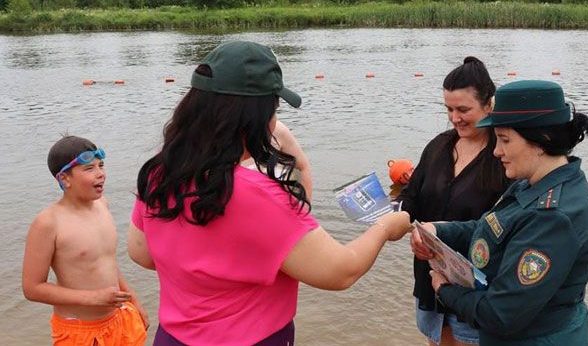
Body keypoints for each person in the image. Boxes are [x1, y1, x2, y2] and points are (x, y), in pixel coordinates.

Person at [126, 41, 410, 346]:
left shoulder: (159, 174)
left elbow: (141, 253)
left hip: (172, 338)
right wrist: (385, 228)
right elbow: (340, 271)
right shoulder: (258, 195)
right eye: (273, 109)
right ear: (254, 118)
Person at [411, 80, 588, 346]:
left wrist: (445, 289)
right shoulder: (535, 183)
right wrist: (439, 230)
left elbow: (500, 313)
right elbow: (491, 228)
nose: (496, 150)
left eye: (504, 140)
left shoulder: (553, 216)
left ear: (541, 141)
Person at [397, 56, 509, 346]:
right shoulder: (438, 147)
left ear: (489, 105)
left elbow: (507, 225)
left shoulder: (504, 156)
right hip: (430, 278)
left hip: (476, 289)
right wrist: (394, 220)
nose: (455, 118)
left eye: (463, 109)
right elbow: (411, 199)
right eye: (448, 109)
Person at [22, 135, 148, 346]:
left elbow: (105, 261)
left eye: (101, 166)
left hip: (120, 320)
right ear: (64, 179)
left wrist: (132, 298)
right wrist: (93, 298)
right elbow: (32, 288)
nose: (101, 174)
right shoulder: (48, 223)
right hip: (80, 331)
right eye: (89, 169)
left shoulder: (102, 206)